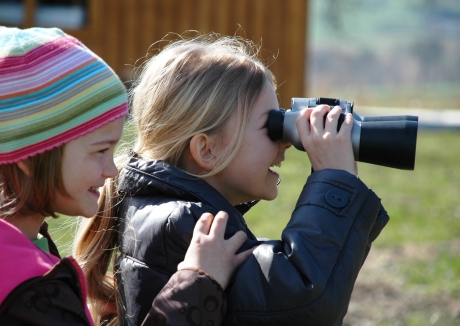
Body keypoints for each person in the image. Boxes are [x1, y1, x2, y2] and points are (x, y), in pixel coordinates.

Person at [74, 33, 389, 326]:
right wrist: (335, 180)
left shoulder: (160, 213)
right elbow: (301, 300)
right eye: (271, 126)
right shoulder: (186, 225)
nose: (285, 142)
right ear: (207, 150)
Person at [0, 26, 253, 326]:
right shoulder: (26, 291)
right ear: (29, 158)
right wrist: (197, 283)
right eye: (99, 151)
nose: (111, 170)